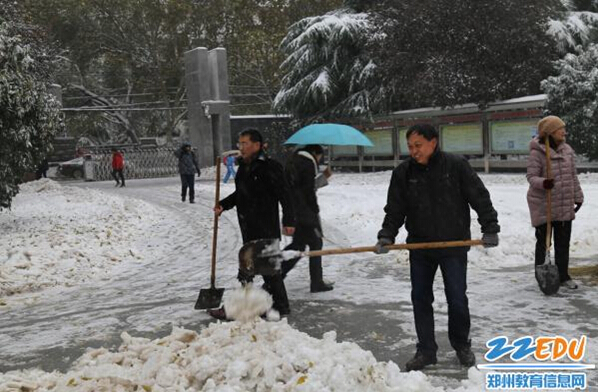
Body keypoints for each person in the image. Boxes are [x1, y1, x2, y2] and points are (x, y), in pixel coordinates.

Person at [374, 124, 500, 371]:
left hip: (453, 245)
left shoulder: (455, 166)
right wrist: (387, 235)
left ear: (434, 142)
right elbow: (395, 208)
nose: (413, 151)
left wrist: (490, 227)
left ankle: (461, 344)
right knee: (420, 298)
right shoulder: (403, 173)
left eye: (418, 145)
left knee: (456, 298)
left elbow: (479, 196)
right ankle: (426, 351)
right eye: (410, 146)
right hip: (420, 246)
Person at [209, 129, 295, 319]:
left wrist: (289, 219)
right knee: (266, 270)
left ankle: (238, 306)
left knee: (253, 269)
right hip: (248, 226)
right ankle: (279, 305)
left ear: (257, 145)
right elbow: (241, 194)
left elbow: (285, 194)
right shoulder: (244, 168)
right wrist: (223, 205)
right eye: (239, 143)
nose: (241, 147)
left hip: (266, 225)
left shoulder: (270, 167)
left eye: (244, 143)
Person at [526, 115, 584, 290]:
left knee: (563, 243)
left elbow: (572, 176)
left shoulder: (567, 151)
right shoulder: (538, 153)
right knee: (544, 243)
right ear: (550, 132)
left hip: (564, 204)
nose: (564, 132)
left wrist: (578, 196)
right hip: (545, 205)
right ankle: (542, 274)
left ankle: (563, 276)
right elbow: (531, 177)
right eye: (560, 129)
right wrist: (544, 182)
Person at [282, 144, 334, 293]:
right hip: (305, 212)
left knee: (302, 245)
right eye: (320, 157)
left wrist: (323, 177)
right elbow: (308, 191)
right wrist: (314, 209)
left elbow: (301, 187)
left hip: (295, 211)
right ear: (315, 153)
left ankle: (278, 274)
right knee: (311, 244)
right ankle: (278, 274)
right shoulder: (307, 164)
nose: (319, 160)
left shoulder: (294, 161)